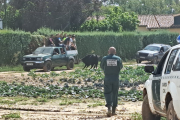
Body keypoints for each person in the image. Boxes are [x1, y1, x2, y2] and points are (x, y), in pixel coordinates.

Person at [100, 47, 123, 117]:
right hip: (115, 78)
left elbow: (101, 66)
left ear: (108, 52)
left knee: (107, 93)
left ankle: (109, 106)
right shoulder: (118, 59)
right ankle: (113, 110)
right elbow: (121, 67)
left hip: (107, 78)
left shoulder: (104, 58)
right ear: (115, 52)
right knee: (115, 93)